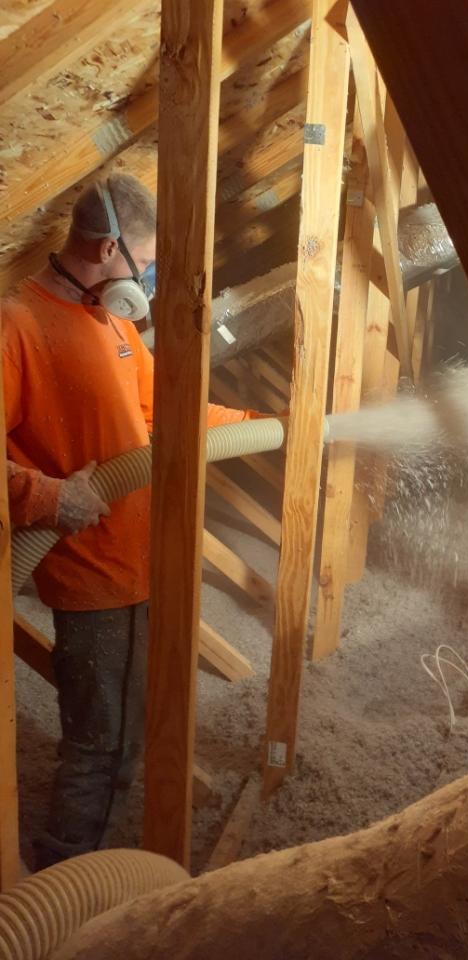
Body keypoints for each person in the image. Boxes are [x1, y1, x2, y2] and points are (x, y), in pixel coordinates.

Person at [2, 174, 262, 870]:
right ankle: (60, 879)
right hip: (90, 575)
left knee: (134, 726)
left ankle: (100, 868)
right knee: (96, 741)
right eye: (142, 261)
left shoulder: (113, 322)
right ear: (108, 246)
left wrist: (263, 426)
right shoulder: (18, 326)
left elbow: (167, 413)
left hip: (145, 557)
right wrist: (51, 498)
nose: (145, 276)